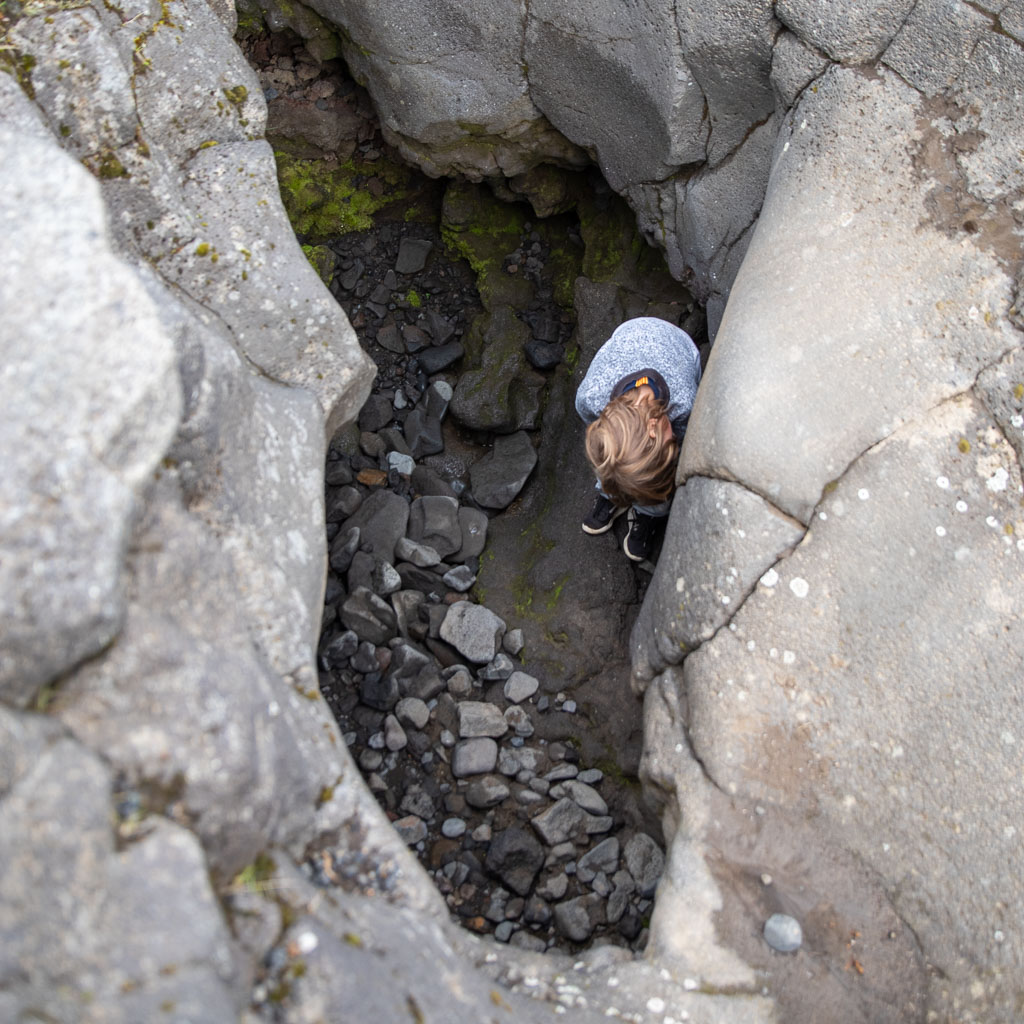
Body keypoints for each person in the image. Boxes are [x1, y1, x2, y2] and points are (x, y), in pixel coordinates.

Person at [575, 316, 702, 562]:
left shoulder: (684, 403)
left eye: (670, 439)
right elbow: (605, 437)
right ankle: (613, 493)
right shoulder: (590, 397)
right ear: (653, 426)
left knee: (656, 474)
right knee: (616, 460)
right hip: (628, 337)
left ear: (654, 426)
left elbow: (678, 443)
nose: (673, 437)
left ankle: (650, 510)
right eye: (670, 439)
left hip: (677, 345)